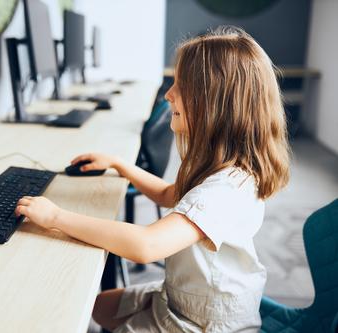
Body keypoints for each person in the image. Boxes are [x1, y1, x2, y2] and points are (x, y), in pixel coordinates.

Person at [15, 26, 290, 332]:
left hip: (205, 321)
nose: (168, 93)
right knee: (98, 306)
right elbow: (168, 194)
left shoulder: (225, 189)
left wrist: (55, 216)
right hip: (183, 296)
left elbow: (146, 245)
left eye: (180, 85)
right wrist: (121, 165)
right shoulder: (215, 165)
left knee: (81, 312)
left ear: (214, 102)